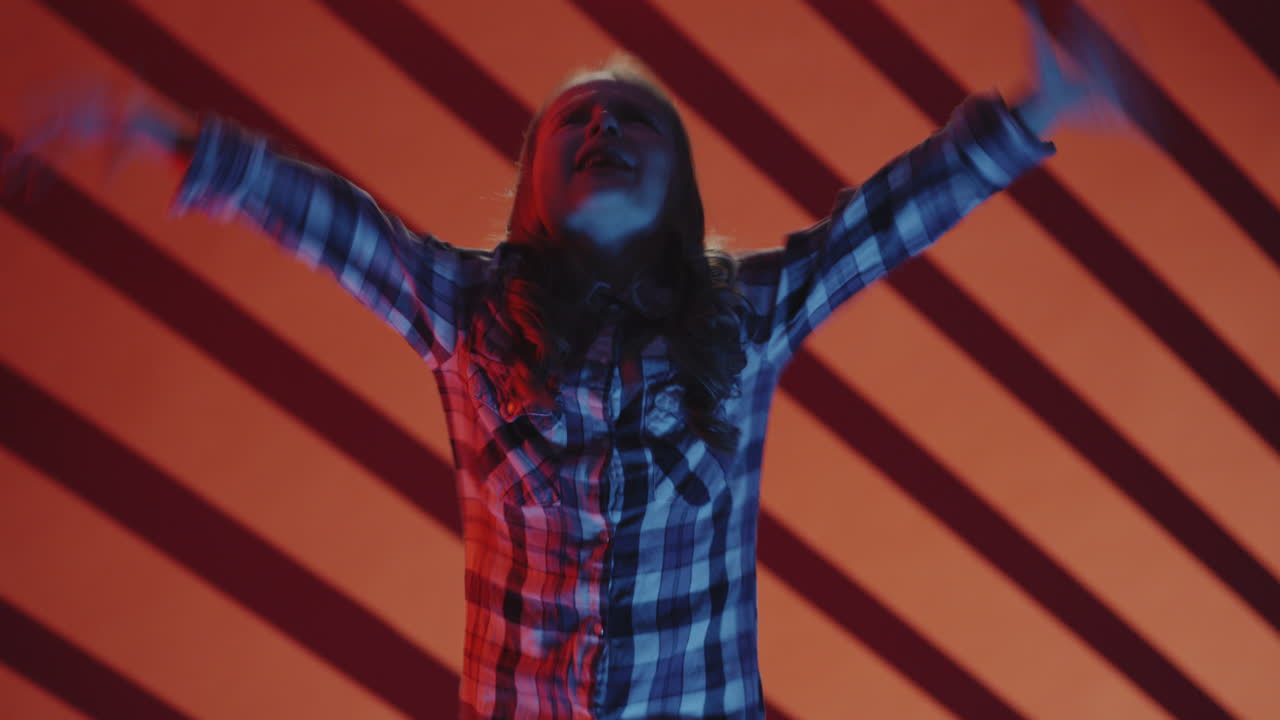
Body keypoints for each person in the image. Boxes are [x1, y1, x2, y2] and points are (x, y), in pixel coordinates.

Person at [1, 3, 1121, 717]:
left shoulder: (742, 318)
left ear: (676, 192)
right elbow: (323, 222)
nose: (602, 130)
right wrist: (150, 130)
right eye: (574, 121)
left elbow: (885, 221)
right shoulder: (463, 312)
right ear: (530, 190)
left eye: (633, 121)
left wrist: (1032, 113)